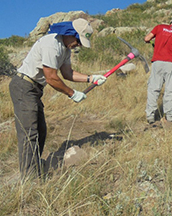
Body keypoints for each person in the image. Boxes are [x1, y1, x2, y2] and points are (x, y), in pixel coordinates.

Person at [9, 18, 107, 179]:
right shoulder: (51, 45)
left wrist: (91, 78)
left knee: (41, 131)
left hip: (35, 90)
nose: (78, 45)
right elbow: (52, 78)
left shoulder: (66, 49)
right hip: (24, 86)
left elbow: (67, 73)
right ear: (70, 34)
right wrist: (72, 93)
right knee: (29, 133)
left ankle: (35, 167)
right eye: (78, 40)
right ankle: (29, 180)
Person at [144, 18, 172, 123]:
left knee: (154, 88)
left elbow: (147, 38)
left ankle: (150, 116)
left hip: (157, 62)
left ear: (171, 23)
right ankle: (170, 116)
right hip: (171, 63)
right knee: (171, 90)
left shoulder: (159, 27)